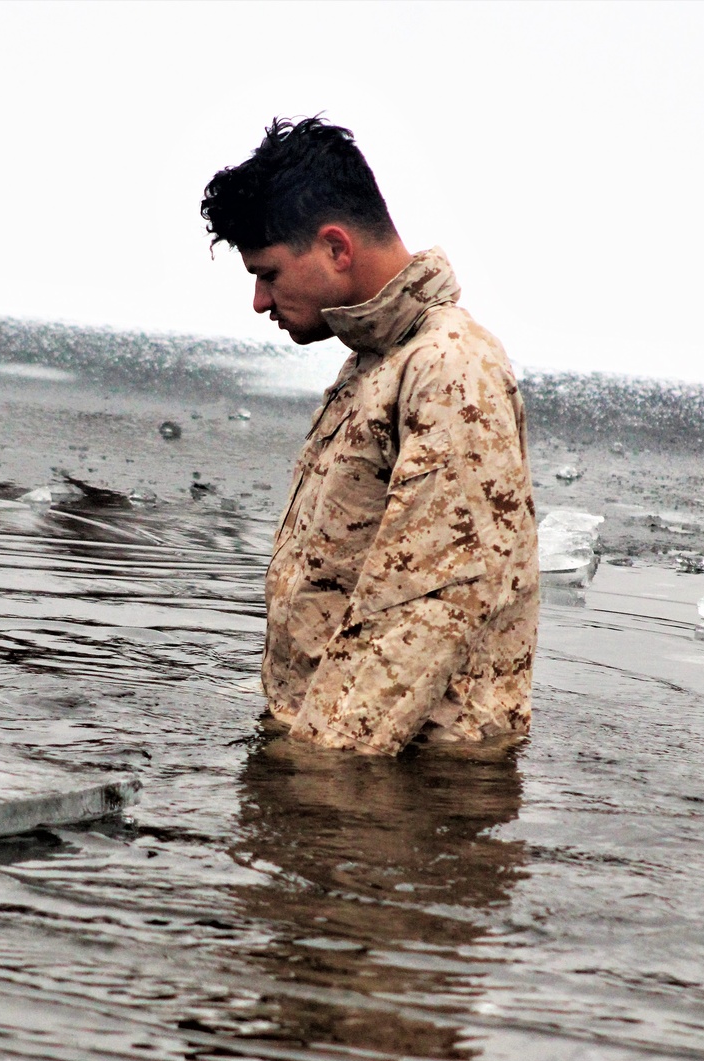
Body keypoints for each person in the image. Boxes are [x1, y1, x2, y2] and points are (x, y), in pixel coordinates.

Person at [201, 118, 538, 757]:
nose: (258, 300)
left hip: (407, 791)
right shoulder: (377, 363)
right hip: (352, 761)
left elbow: (430, 604)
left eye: (268, 273)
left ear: (336, 247)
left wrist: (315, 775)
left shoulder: (450, 367)